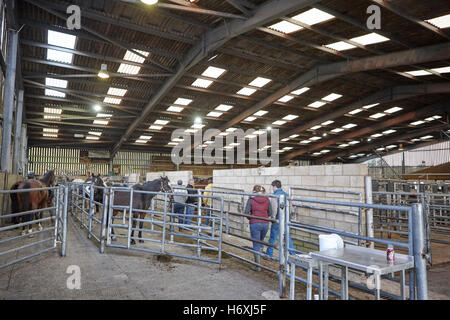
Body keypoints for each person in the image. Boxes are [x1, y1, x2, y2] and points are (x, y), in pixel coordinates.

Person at [245, 185, 273, 271]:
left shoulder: (251, 199)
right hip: (265, 223)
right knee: (261, 242)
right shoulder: (267, 199)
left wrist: (251, 218)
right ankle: (258, 262)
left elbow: (246, 212)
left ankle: (257, 266)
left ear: (254, 191)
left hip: (255, 224)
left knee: (256, 244)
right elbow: (270, 212)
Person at [265, 180, 295, 258]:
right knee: (287, 238)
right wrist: (290, 218)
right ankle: (293, 255)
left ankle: (269, 254)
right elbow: (291, 208)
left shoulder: (275, 195)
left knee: (273, 238)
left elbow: (274, 208)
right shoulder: (286, 195)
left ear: (274, 186)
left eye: (273, 187)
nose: (272, 189)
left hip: (278, 220)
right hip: (286, 220)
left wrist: (273, 218)